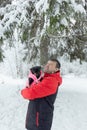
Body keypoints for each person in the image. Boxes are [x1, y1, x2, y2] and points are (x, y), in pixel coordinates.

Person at [21, 59, 62, 130]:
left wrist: (23, 91)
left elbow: (29, 93)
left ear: (56, 69)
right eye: (47, 63)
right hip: (35, 119)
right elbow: (30, 88)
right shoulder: (43, 78)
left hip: (40, 122)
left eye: (51, 65)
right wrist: (33, 76)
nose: (47, 65)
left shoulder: (51, 81)